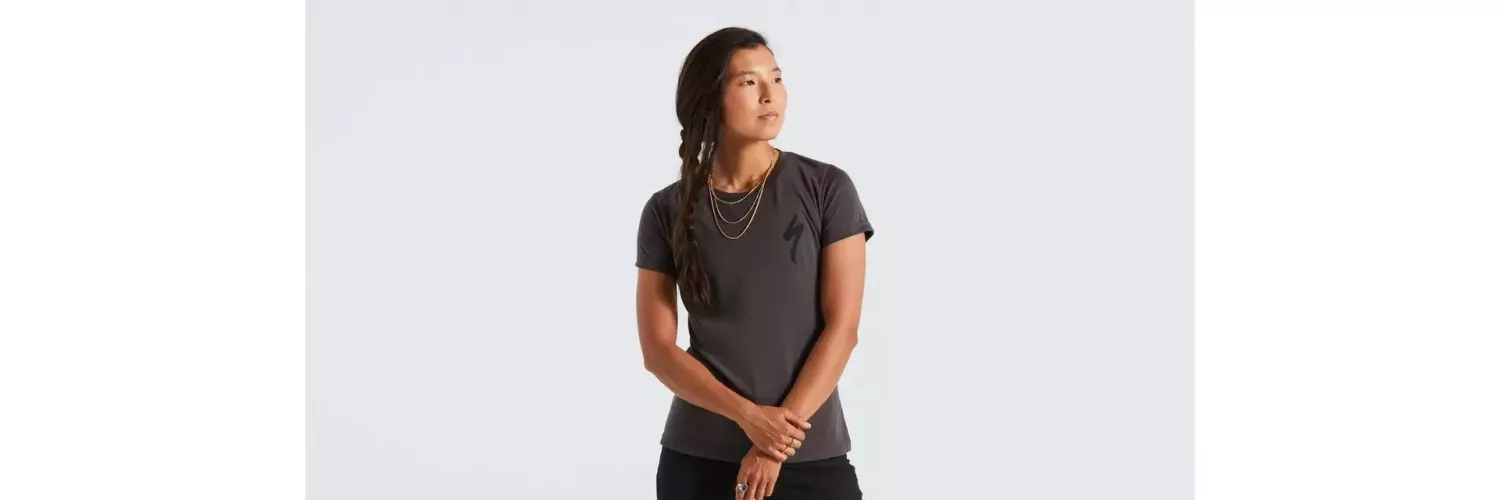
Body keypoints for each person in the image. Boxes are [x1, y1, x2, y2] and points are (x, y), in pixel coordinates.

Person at [634, 27, 874, 500]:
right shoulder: (666, 210)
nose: (770, 95)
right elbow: (658, 351)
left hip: (808, 457)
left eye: (776, 79)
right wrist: (749, 417)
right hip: (698, 461)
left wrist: (772, 444)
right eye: (748, 82)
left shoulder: (826, 189)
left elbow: (842, 329)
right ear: (710, 100)